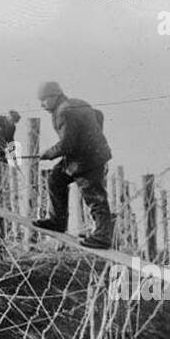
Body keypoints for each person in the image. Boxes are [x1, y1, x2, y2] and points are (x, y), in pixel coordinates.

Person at [30, 82, 113, 249]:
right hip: (85, 155)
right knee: (56, 178)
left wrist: (48, 153)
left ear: (54, 96)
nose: (42, 105)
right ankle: (57, 221)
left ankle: (102, 237)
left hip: (87, 160)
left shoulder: (64, 112)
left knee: (94, 197)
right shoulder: (78, 103)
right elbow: (99, 115)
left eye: (44, 100)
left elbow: (67, 144)